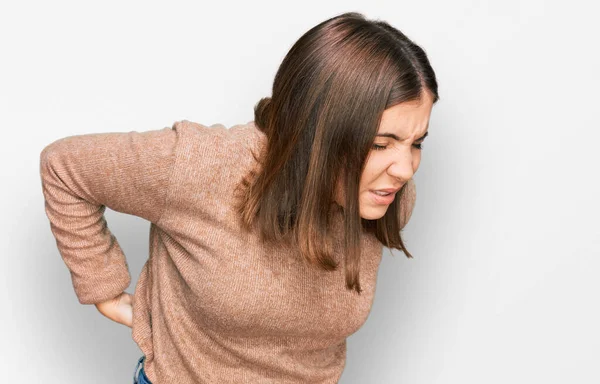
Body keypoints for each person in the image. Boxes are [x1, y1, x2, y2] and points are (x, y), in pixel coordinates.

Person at [39, 11, 439, 384]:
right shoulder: (202, 165)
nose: (405, 169)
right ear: (315, 131)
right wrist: (104, 288)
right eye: (380, 144)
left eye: (416, 143)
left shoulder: (388, 198)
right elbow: (64, 167)